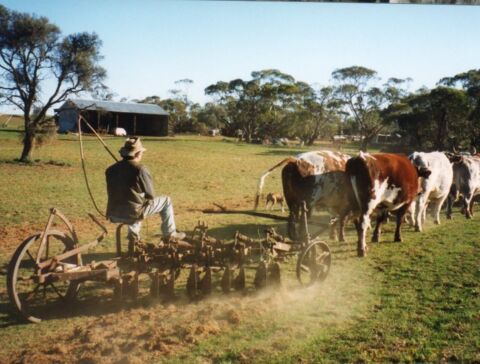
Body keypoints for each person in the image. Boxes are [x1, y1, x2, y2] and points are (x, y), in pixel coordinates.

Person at [105, 137, 185, 243]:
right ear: (137, 154)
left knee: (135, 203)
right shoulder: (140, 169)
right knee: (166, 200)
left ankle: (133, 235)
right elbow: (150, 195)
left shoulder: (110, 170)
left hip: (113, 213)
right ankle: (170, 233)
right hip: (132, 214)